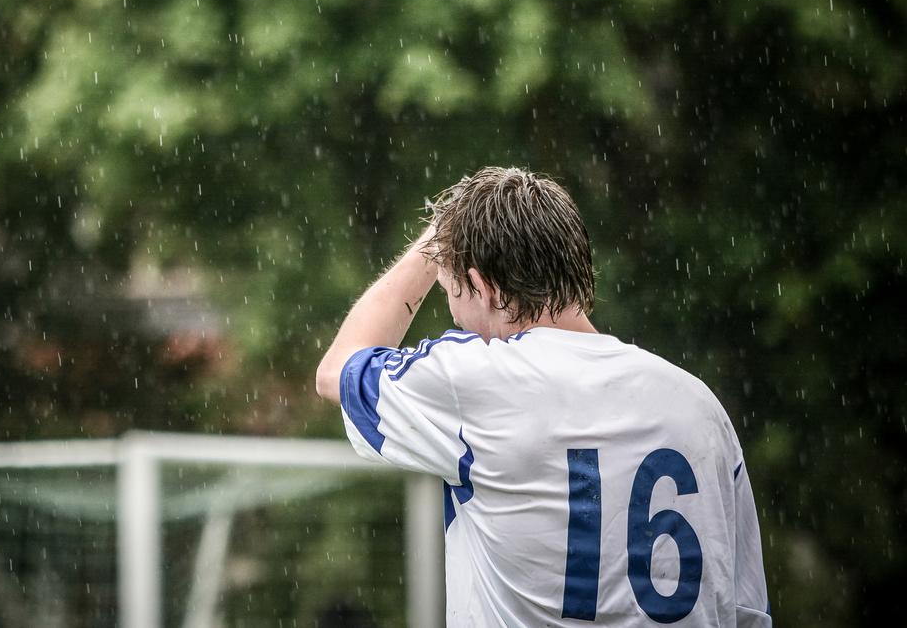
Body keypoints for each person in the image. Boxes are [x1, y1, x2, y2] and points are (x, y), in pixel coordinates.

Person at [315, 166, 771, 627]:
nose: (460, 322)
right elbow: (747, 612)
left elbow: (336, 370)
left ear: (485, 288)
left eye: (455, 297)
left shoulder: (475, 381)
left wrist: (436, 239)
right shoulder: (699, 406)